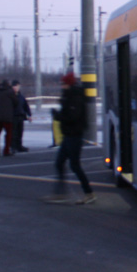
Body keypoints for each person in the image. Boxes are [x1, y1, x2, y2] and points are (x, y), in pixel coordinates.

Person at [47, 72, 95, 204]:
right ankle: (61, 192)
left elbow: (72, 117)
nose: (62, 86)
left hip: (74, 135)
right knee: (60, 163)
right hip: (69, 135)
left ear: (69, 84)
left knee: (74, 165)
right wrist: (59, 113)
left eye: (63, 84)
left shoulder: (75, 97)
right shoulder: (69, 97)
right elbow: (68, 115)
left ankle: (88, 192)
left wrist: (58, 115)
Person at [0, 78, 17, 157]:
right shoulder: (10, 91)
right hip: (7, 117)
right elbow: (16, 102)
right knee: (8, 134)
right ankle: (6, 150)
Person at [11, 80, 32, 153]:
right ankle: (13, 147)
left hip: (21, 116)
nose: (16, 88)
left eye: (17, 86)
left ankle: (19, 146)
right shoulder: (10, 96)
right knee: (13, 133)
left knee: (20, 132)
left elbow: (26, 106)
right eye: (15, 86)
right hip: (13, 117)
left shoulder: (21, 96)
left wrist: (29, 115)